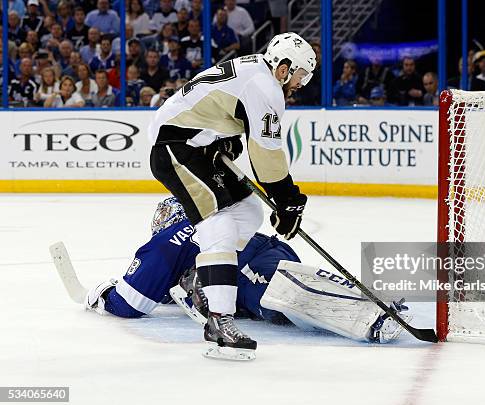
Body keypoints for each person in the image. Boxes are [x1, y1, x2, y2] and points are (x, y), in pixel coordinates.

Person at [147, 32, 316, 358]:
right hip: (176, 147)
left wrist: (223, 144)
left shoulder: (256, 71)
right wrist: (288, 199)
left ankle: (202, 273)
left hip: (196, 144)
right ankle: (219, 320)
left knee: (248, 212)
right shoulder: (266, 88)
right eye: (299, 75)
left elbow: (229, 121)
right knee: (219, 222)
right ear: (283, 68)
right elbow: (265, 155)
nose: (301, 84)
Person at [84, 198, 410, 350]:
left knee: (279, 292)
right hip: (259, 256)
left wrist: (103, 296)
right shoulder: (193, 234)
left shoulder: (169, 241)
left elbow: (129, 305)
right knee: (276, 305)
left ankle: (373, 310)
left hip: (252, 263)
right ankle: (367, 303)